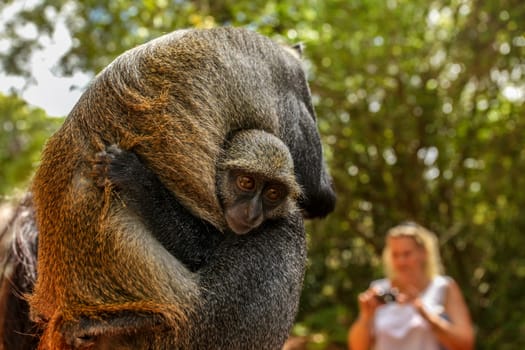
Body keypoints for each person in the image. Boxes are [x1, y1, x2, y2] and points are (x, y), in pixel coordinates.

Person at [348, 221, 475, 350]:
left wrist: (424, 314)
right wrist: (366, 316)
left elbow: (465, 344)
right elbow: (357, 347)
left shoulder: (443, 287)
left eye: (407, 254)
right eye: (395, 255)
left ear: (424, 253)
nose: (401, 261)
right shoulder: (378, 289)